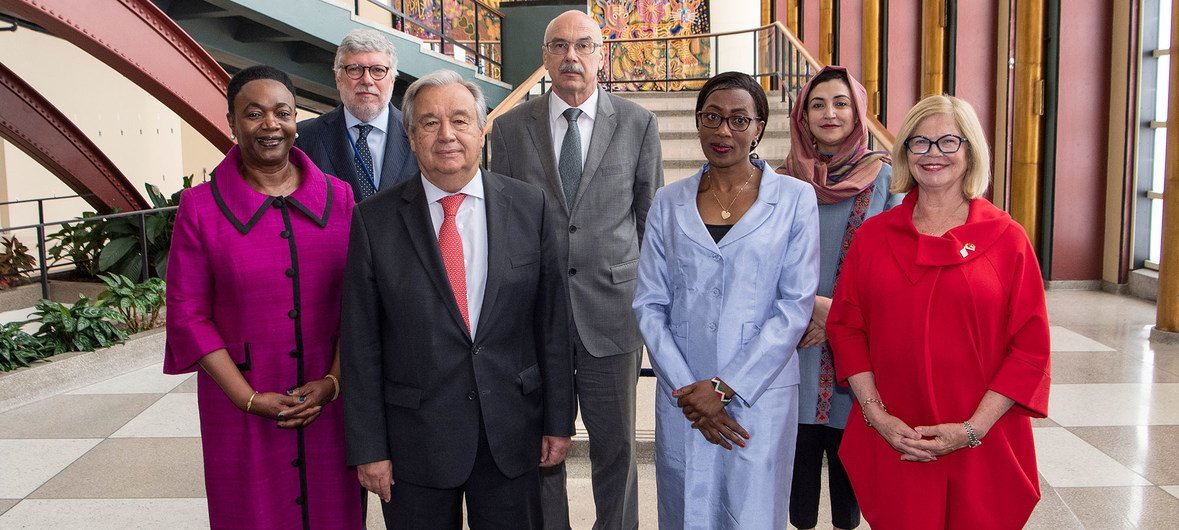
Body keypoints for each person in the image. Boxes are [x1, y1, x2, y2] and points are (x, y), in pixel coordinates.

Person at [340, 69, 575, 528]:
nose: (446, 134)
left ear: (482, 128)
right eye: (429, 123)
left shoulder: (531, 207)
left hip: (511, 432)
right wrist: (370, 448)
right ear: (410, 136)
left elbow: (552, 325)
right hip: (415, 443)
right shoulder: (374, 221)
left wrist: (559, 420)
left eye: (460, 120)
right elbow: (361, 343)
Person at [826, 95, 1051, 529]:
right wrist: (877, 416)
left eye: (949, 142)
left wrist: (971, 430)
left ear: (970, 151)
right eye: (920, 143)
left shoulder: (1008, 239)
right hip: (897, 438)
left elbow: (1029, 349)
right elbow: (848, 328)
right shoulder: (873, 237)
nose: (934, 154)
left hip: (982, 440)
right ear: (905, 152)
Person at [164, 65, 360, 529]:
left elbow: (361, 302)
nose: (270, 124)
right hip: (240, 408)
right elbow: (188, 313)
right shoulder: (200, 207)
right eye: (253, 114)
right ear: (232, 122)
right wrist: (247, 398)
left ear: (297, 120)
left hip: (330, 405)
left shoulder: (341, 198)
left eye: (283, 112)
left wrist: (333, 381)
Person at [488, 10, 662, 528]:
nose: (571, 56)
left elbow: (650, 222)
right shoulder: (511, 129)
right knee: (543, 450)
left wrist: (651, 313)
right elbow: (503, 226)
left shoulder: (637, 123)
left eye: (584, 45)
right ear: (544, 57)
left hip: (612, 316)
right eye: (559, 46)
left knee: (618, 450)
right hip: (534, 319)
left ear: (601, 55)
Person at [633, 71, 820, 528]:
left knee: (752, 510)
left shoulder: (796, 199)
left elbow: (794, 306)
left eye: (739, 120)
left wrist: (725, 386)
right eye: (712, 117)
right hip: (687, 392)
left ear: (759, 127)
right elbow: (649, 304)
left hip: (759, 391)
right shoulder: (667, 201)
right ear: (698, 122)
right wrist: (689, 389)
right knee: (685, 507)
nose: (723, 131)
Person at [777, 65, 900, 530]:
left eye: (841, 103)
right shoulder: (780, 180)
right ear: (803, 116)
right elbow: (763, 263)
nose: (830, 113)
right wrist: (812, 307)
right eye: (818, 103)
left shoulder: (886, 178)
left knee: (851, 485)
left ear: (858, 112)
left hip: (862, 351)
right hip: (795, 344)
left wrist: (840, 313)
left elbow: (897, 266)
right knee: (797, 478)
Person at [296, 28, 418, 201]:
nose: (367, 80)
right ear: (338, 79)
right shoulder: (304, 139)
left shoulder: (419, 134)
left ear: (392, 79)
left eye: (377, 70)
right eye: (354, 69)